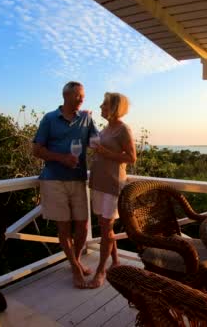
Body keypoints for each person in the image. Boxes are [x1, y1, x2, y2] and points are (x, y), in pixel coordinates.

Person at [32, 81, 98, 289]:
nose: (82, 99)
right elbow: (36, 149)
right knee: (63, 227)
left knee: (83, 226)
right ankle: (76, 268)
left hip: (78, 179)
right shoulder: (50, 119)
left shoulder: (86, 118)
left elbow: (97, 142)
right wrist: (61, 158)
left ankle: (75, 260)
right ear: (66, 96)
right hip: (54, 179)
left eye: (83, 96)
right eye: (78, 95)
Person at [88, 92, 136, 288]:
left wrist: (106, 153)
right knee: (104, 226)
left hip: (113, 183)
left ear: (114, 107)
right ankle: (115, 261)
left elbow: (132, 157)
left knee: (106, 227)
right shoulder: (106, 128)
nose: (100, 106)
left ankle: (101, 270)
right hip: (99, 181)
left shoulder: (123, 129)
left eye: (104, 104)